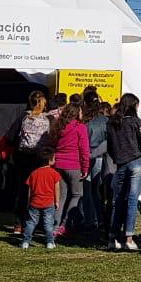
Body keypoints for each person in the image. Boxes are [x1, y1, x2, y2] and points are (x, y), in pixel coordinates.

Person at [106, 93, 141, 251]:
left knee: (118, 200)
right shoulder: (136, 121)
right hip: (136, 161)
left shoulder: (111, 123)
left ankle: (112, 237)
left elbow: (110, 146)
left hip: (120, 163)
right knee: (132, 200)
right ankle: (129, 238)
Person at [10, 90, 52, 234]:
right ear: (44, 103)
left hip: (23, 157)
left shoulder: (24, 116)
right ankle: (38, 223)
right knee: (39, 191)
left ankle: (19, 224)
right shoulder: (49, 119)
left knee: (22, 190)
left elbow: (11, 136)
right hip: (41, 159)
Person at [50, 101, 89, 238]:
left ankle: (54, 226)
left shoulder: (58, 126)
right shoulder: (80, 127)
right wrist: (85, 167)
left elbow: (52, 144)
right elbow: (84, 149)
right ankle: (65, 225)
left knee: (61, 196)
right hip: (74, 164)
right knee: (77, 195)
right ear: (77, 113)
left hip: (58, 164)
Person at [20, 147, 62, 251]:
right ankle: (50, 242)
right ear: (50, 160)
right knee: (48, 224)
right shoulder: (54, 173)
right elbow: (56, 189)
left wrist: (29, 201)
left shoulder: (34, 173)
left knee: (30, 223)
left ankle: (25, 242)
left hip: (34, 202)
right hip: (48, 203)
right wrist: (57, 201)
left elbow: (30, 190)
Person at [80, 93, 110, 234]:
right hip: (100, 156)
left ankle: (89, 220)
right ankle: (99, 219)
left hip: (86, 155)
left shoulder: (84, 121)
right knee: (96, 190)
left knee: (87, 189)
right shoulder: (105, 120)